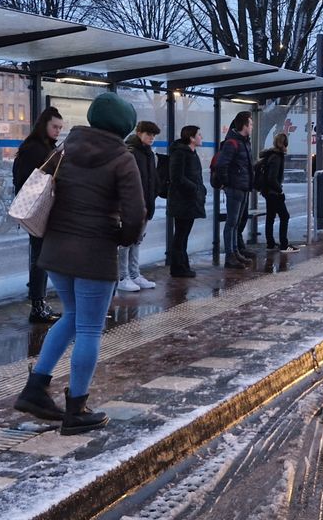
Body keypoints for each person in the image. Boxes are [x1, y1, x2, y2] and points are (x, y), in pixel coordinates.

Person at [13, 92, 145, 435]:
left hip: (56, 251)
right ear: (125, 126)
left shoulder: (65, 148)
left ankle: (36, 388)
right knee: (89, 327)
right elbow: (135, 214)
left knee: (72, 316)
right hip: (94, 254)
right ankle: (77, 408)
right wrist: (123, 237)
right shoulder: (122, 158)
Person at [13, 107, 65, 323]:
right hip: (39, 210)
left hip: (40, 209)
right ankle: (37, 305)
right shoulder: (36, 149)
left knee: (41, 256)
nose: (58, 131)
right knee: (40, 258)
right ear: (44, 124)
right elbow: (29, 180)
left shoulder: (40, 147)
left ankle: (39, 302)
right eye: (55, 126)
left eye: (61, 128)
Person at [117, 121, 160, 292]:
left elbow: (152, 179)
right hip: (132, 206)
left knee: (137, 240)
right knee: (127, 241)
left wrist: (152, 197)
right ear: (139, 132)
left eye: (154, 136)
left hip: (145, 204)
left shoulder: (148, 153)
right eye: (149, 134)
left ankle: (134, 274)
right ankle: (122, 276)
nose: (152, 138)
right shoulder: (131, 152)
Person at [215, 111, 255, 269]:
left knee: (236, 222)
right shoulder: (232, 143)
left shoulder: (244, 142)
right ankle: (230, 256)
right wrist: (226, 183)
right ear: (244, 125)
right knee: (231, 223)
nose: (252, 127)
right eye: (251, 124)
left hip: (243, 186)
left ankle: (235, 251)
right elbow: (221, 165)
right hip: (235, 187)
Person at [167, 125, 206, 278]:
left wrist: (200, 189)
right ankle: (178, 267)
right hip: (182, 201)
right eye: (199, 134)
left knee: (183, 234)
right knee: (181, 235)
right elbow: (177, 178)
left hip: (189, 200)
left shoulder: (191, 152)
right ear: (191, 138)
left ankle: (182, 266)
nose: (201, 137)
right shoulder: (180, 154)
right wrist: (195, 188)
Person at [259, 132, 299, 252]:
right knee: (284, 216)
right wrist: (280, 190)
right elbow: (272, 178)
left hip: (268, 191)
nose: (287, 147)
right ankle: (284, 245)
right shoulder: (277, 157)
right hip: (273, 192)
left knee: (270, 217)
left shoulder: (271, 155)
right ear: (283, 144)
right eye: (286, 144)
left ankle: (270, 243)